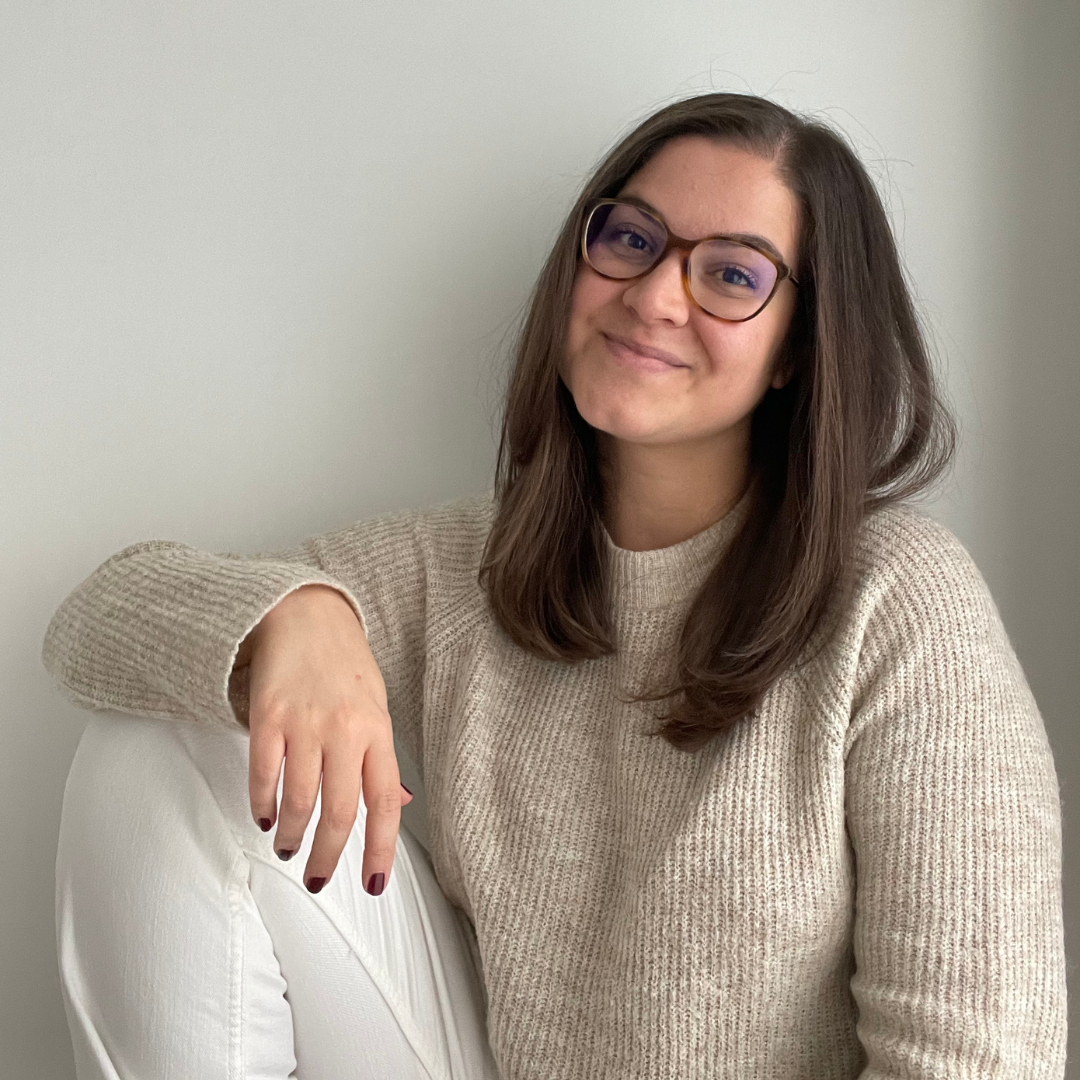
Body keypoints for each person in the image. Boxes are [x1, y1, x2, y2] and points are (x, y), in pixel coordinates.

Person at [43, 92, 1067, 1079]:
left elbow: (979, 1058)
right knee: (165, 738)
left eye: (731, 274)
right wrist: (294, 618)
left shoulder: (897, 600)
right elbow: (94, 621)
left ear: (798, 348)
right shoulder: (463, 570)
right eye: (632, 239)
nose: (655, 296)